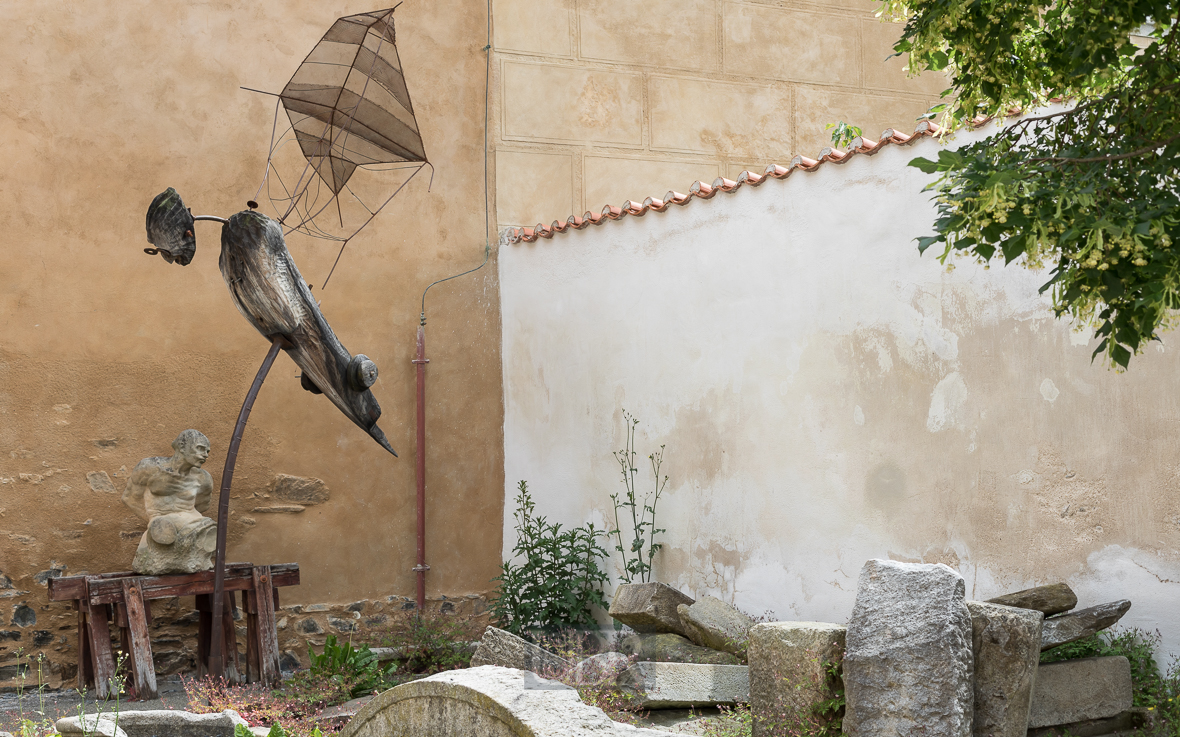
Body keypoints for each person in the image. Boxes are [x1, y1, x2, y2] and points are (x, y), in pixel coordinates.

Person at [122, 429, 217, 574]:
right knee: (164, 532)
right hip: (160, 521)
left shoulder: (203, 479)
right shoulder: (150, 467)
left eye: (207, 451)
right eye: (200, 448)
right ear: (182, 447)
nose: (205, 455)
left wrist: (182, 517)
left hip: (194, 522)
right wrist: (153, 519)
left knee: (210, 530)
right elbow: (129, 499)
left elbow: (203, 505)